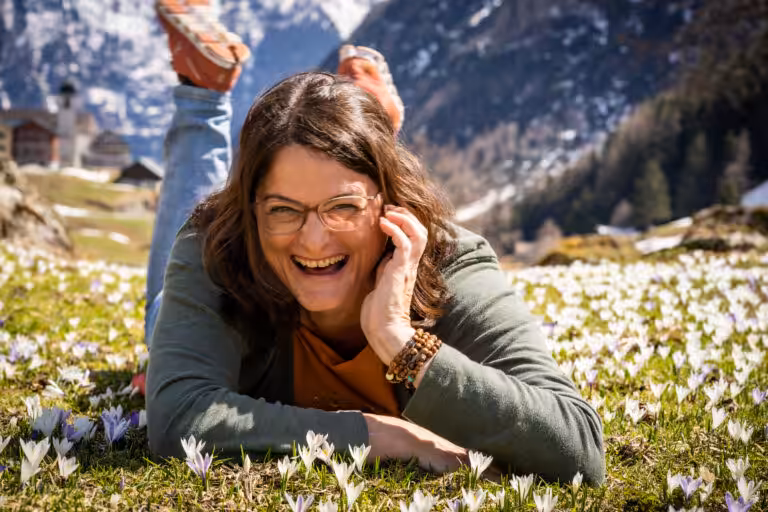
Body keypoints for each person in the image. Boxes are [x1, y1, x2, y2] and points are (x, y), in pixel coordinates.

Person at [142, 0, 605, 483]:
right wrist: (379, 436)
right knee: (166, 303)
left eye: (343, 206)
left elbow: (578, 449)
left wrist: (401, 343)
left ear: (388, 203)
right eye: (283, 209)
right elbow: (180, 417)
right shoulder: (217, 246)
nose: (314, 240)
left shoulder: (449, 261)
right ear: (251, 210)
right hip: (218, 258)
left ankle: (360, 123)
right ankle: (204, 95)